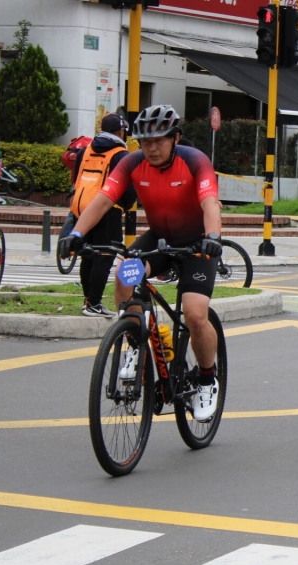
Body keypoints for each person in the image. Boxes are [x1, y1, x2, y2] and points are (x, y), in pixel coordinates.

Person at [59, 104, 223, 421]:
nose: (151, 147)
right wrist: (76, 233)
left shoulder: (195, 161)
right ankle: (134, 342)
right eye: (145, 141)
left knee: (194, 314)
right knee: (124, 273)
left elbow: (209, 202)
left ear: (175, 138)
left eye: (159, 140)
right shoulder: (133, 163)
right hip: (160, 239)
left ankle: (206, 378)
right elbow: (104, 199)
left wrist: (213, 237)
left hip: (198, 244)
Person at [69, 113, 137, 317]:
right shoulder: (121, 155)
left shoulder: (85, 150)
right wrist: (124, 206)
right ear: (120, 131)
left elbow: (76, 179)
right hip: (109, 211)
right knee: (106, 255)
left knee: (87, 255)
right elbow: (128, 189)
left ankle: (88, 300)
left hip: (82, 210)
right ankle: (94, 303)